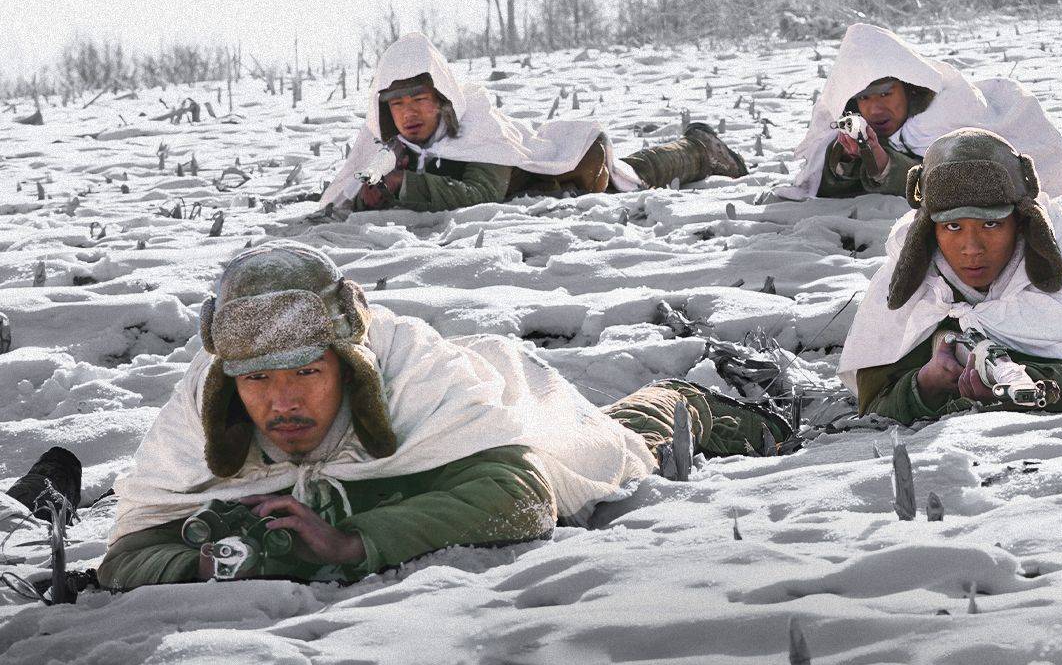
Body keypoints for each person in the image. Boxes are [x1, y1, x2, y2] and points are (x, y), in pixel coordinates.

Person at [99, 242, 789, 590]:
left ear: (347, 364)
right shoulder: (200, 406)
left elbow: (522, 497)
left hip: (496, 422)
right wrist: (205, 565)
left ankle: (697, 394)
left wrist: (351, 543)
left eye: (308, 373)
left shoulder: (408, 368)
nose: (282, 402)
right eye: (258, 382)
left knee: (620, 441)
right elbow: (126, 553)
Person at [839, 129, 1062, 423]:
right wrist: (925, 384)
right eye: (952, 226)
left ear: (1021, 222)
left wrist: (1027, 382)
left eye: (991, 223)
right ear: (929, 231)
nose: (972, 247)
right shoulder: (914, 275)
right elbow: (874, 399)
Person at [318, 34, 750, 213]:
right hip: (533, 180)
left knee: (631, 175)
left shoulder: (477, 128)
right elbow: (348, 191)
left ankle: (699, 151)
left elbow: (481, 193)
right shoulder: (393, 141)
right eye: (398, 105)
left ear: (443, 99)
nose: (409, 114)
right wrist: (368, 195)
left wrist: (403, 185)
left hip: (569, 160)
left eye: (420, 100)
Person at [777, 23, 1062, 201]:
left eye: (886, 93)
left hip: (1060, 157)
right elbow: (828, 187)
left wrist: (884, 164)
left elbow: (960, 182)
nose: (876, 107)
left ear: (908, 88)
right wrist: (852, 159)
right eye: (865, 98)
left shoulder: (945, 115)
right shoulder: (862, 127)